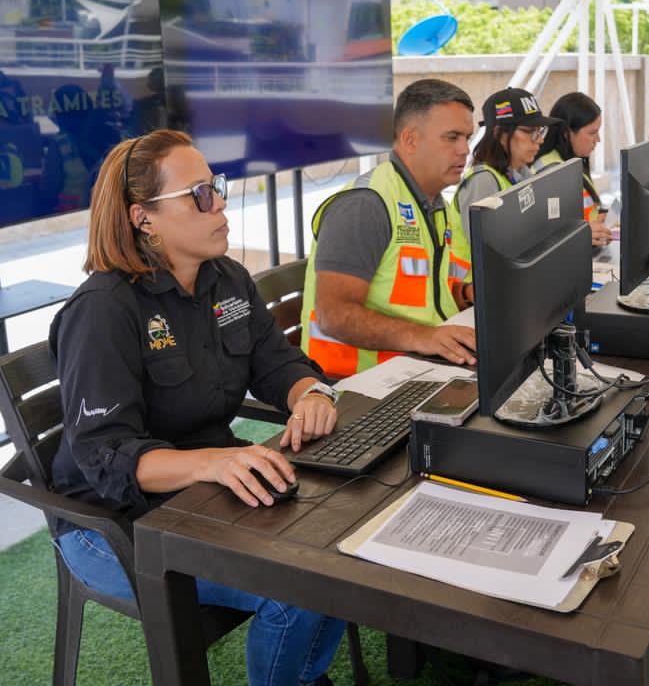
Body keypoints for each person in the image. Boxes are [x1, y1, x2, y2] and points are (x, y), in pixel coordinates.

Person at [50, 129, 346, 686]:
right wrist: (214, 462)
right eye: (201, 194)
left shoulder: (225, 279)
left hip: (207, 494)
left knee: (339, 550)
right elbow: (107, 457)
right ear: (144, 219)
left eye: (218, 188)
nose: (221, 204)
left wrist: (310, 393)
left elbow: (276, 361)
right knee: (300, 588)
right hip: (111, 525)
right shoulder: (103, 311)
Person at [301, 79, 477, 377]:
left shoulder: (432, 202)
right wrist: (424, 337)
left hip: (416, 366)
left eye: (467, 138)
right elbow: (335, 316)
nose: (465, 150)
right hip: (353, 386)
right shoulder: (365, 206)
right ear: (410, 139)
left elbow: (428, 297)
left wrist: (471, 294)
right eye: (452, 137)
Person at [452, 86, 560, 243]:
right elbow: (487, 253)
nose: (540, 139)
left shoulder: (522, 172)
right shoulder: (482, 181)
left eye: (540, 131)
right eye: (529, 131)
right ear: (498, 133)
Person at [535, 92, 613, 247]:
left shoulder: (573, 161)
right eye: (592, 133)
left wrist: (601, 218)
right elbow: (546, 233)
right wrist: (581, 234)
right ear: (566, 133)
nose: (598, 140)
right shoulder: (551, 172)